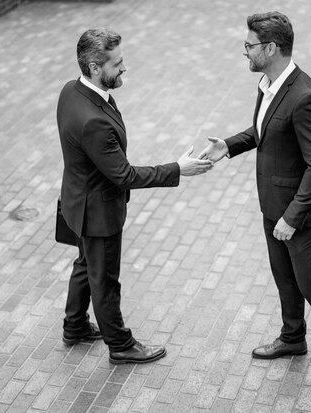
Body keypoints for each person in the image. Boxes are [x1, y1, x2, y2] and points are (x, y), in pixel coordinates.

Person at [199, 12, 311, 384]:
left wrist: (292, 217)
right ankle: (293, 338)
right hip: (271, 205)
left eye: (249, 46)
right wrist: (228, 145)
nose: (245, 52)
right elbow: (264, 131)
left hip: (299, 214)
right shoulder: (268, 83)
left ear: (271, 48)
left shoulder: (306, 97)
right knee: (284, 277)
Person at [57, 27, 213, 364]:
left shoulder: (71, 90)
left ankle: (75, 327)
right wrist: (177, 168)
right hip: (97, 214)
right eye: (117, 63)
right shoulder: (92, 121)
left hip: (76, 202)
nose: (124, 68)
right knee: (105, 281)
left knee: (85, 265)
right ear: (95, 68)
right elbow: (124, 175)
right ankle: (120, 345)